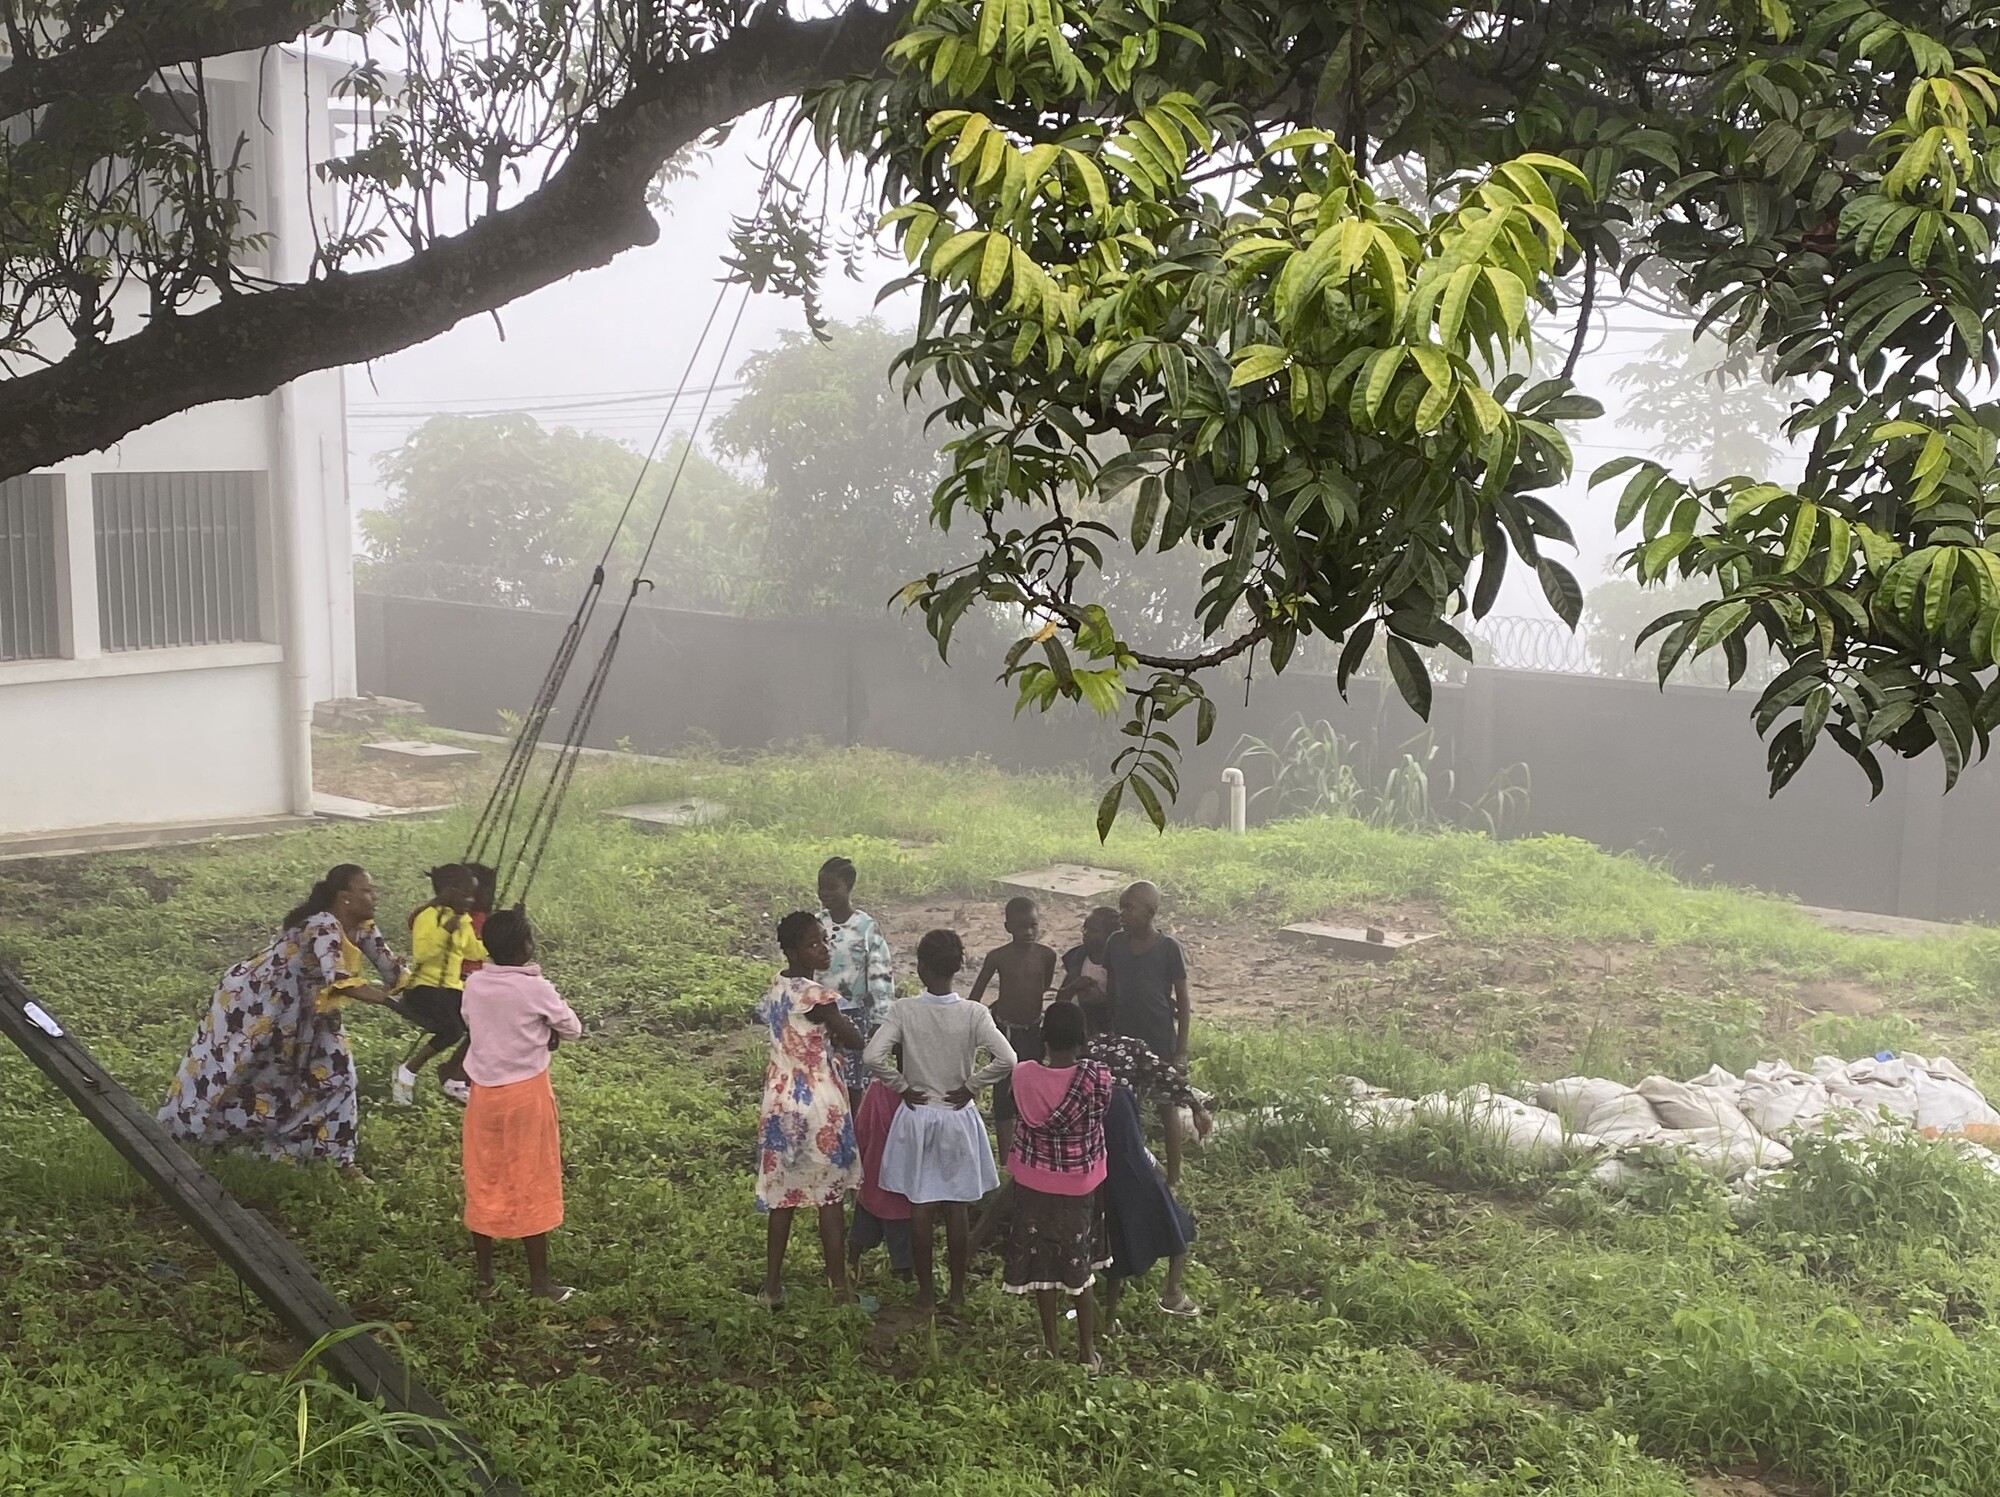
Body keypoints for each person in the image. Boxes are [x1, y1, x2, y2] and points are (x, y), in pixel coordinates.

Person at [159, 865, 405, 1182]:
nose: (376, 897)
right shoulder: (323, 924)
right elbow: (342, 982)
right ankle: (198, 1132)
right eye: (368, 891)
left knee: (339, 1073)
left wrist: (428, 994)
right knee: (243, 1070)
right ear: (345, 897)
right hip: (260, 1004)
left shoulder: (363, 927)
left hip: (310, 1007)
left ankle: (340, 1161)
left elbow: (393, 971)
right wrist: (388, 1001)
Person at [865, 929, 1015, 1312]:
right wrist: (973, 1085)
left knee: (921, 1205)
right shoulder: (973, 1014)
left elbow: (872, 1056)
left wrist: (899, 1085)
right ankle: (958, 1293)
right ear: (959, 967)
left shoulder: (904, 1011)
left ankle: (927, 1294)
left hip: (918, 1114)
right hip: (956, 1114)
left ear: (920, 968)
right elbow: (1008, 1060)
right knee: (956, 1206)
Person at [460, 909, 582, 1302]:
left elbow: (474, 1024)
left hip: (483, 1095)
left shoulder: (475, 984)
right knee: (530, 1177)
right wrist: (545, 1033)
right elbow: (572, 1028)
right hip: (526, 1094)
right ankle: (540, 1284)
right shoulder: (535, 988)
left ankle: (484, 1280)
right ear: (527, 945)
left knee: (484, 1176)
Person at [756, 911, 866, 1309]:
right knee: (829, 1196)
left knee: (782, 1195)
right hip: (818, 1101)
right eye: (814, 943)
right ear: (792, 950)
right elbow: (853, 1040)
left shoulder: (777, 985)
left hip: (779, 1099)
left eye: (824, 940)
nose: (824, 948)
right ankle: (840, 1292)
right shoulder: (817, 998)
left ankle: (771, 1289)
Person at [1003, 1000, 1112, 1371]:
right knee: (1079, 1267)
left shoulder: (1023, 1074)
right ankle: (1086, 1352)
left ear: (1043, 1036)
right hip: (1080, 1186)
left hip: (1035, 1186)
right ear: (1083, 1039)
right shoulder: (1098, 1077)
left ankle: (1050, 1347)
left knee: (1041, 1267)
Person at [1081, 996, 1204, 1319]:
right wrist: (1198, 1107)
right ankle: (1172, 1293)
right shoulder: (1132, 1047)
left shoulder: (1079, 1057)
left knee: (1111, 1236)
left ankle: (1107, 1319)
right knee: (1179, 1224)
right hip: (1128, 1150)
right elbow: (1170, 1077)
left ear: (1085, 1026)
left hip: (1088, 1155)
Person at [1102, 881, 1193, 1186]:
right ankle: (1135, 1173)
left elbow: (1183, 1001)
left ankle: (1174, 1179)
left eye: (1128, 907)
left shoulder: (1169, 949)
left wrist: (1180, 1051)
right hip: (1124, 1042)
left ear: (1151, 912)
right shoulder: (1115, 943)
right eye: (1121, 906)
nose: (1122, 914)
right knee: (1127, 1107)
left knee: (1167, 1106)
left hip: (1158, 1039)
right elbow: (1112, 990)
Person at [968, 896, 1058, 1163]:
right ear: (1008, 927)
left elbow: (1042, 986)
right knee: (1003, 1092)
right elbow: (976, 994)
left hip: (1033, 1030)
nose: (1028, 932)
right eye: (1021, 927)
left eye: (1033, 925)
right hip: (1005, 1032)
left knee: (1031, 1088)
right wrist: (972, 1021)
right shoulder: (998, 957)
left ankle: (1032, 1150)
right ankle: (1007, 1160)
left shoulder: (1046, 955)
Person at [392, 864, 488, 1107]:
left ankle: (456, 1077)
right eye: (466, 893)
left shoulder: (463, 920)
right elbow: (422, 953)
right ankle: (409, 1070)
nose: (471, 900)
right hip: (423, 989)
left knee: (485, 1021)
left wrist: (496, 939)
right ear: (449, 890)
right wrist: (445, 932)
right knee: (453, 1030)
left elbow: (472, 950)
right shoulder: (428, 916)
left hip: (451, 990)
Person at [816, 856, 895, 1099]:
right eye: (821, 887)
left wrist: (880, 1017)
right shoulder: (816, 924)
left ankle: (855, 1131)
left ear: (848, 887)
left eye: (832, 887)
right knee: (823, 1076)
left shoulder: (865, 927)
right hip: (819, 1013)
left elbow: (880, 973)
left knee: (853, 1083)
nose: (824, 893)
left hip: (853, 1014)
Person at [847, 1076, 915, 1285]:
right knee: (904, 1245)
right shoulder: (928, 1091)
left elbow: (861, 1131)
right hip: (907, 1188)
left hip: (874, 1180)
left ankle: (851, 1267)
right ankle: (907, 1281)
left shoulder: (879, 1088)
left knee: (860, 1234)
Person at [1055, 906, 1119, 1005]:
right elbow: (1060, 1000)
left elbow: (1123, 1006)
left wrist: (1101, 998)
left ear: (1111, 935)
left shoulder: (1119, 964)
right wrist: (1074, 987)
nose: (1085, 933)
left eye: (1094, 930)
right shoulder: (1076, 958)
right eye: (1084, 927)